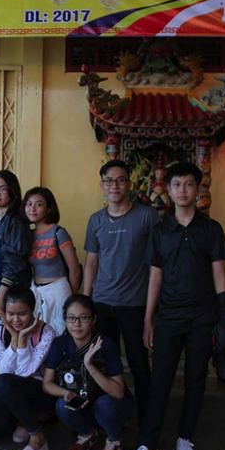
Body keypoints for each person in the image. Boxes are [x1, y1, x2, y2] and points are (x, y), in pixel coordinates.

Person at [118, 162, 225, 450]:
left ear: (198, 189)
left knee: (196, 379)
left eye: (189, 184)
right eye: (177, 185)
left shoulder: (211, 229)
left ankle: (185, 439)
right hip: (168, 317)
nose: (183, 190)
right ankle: (148, 446)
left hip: (203, 316)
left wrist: (224, 315)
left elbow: (219, 274)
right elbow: (155, 277)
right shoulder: (160, 231)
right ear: (168, 190)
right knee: (160, 381)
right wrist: (148, 320)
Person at [82, 160, 158, 423]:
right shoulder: (96, 220)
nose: (114, 185)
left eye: (120, 180)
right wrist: (86, 303)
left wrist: (150, 316)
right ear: (102, 185)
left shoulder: (147, 216)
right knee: (104, 364)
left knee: (139, 365)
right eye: (109, 180)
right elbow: (92, 263)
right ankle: (112, 417)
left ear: (129, 184)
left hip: (134, 304)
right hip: (102, 304)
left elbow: (156, 265)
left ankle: (147, 421)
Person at [42, 295, 133, 450]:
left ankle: (114, 438)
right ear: (65, 319)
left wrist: (89, 365)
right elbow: (47, 384)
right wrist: (66, 393)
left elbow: (118, 392)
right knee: (62, 405)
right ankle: (88, 433)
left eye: (84, 318)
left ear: (93, 320)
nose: (77, 324)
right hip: (82, 402)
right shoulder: (60, 344)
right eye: (71, 318)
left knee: (104, 404)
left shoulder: (105, 344)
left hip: (109, 403)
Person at [0, 285, 59, 450]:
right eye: (11, 314)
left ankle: (37, 436)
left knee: (3, 383)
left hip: (38, 390)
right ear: (4, 312)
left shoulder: (46, 332)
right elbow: (4, 370)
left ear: (33, 311)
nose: (16, 320)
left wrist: (22, 339)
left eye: (22, 314)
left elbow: (26, 372)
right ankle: (24, 419)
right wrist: (14, 339)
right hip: (9, 387)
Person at [23, 186, 81, 334]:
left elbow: (74, 269)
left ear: (49, 208)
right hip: (36, 291)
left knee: (59, 334)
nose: (32, 208)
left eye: (39, 204)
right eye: (29, 204)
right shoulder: (27, 234)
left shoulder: (58, 232)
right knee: (37, 335)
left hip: (58, 290)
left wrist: (72, 299)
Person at [0, 170, 32, 320]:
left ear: (12, 190)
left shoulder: (15, 220)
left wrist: (0, 296)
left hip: (10, 294)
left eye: (2, 189)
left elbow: (13, 261)